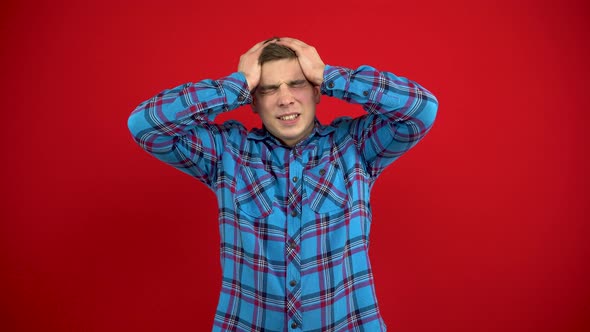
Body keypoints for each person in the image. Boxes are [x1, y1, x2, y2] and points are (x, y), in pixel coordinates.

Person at [128, 37, 438, 331]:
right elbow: (145, 125)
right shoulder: (227, 152)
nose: (285, 99)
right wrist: (234, 86)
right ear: (253, 100)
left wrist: (328, 75)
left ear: (317, 91)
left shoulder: (356, 146)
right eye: (269, 89)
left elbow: (421, 109)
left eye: (298, 84)